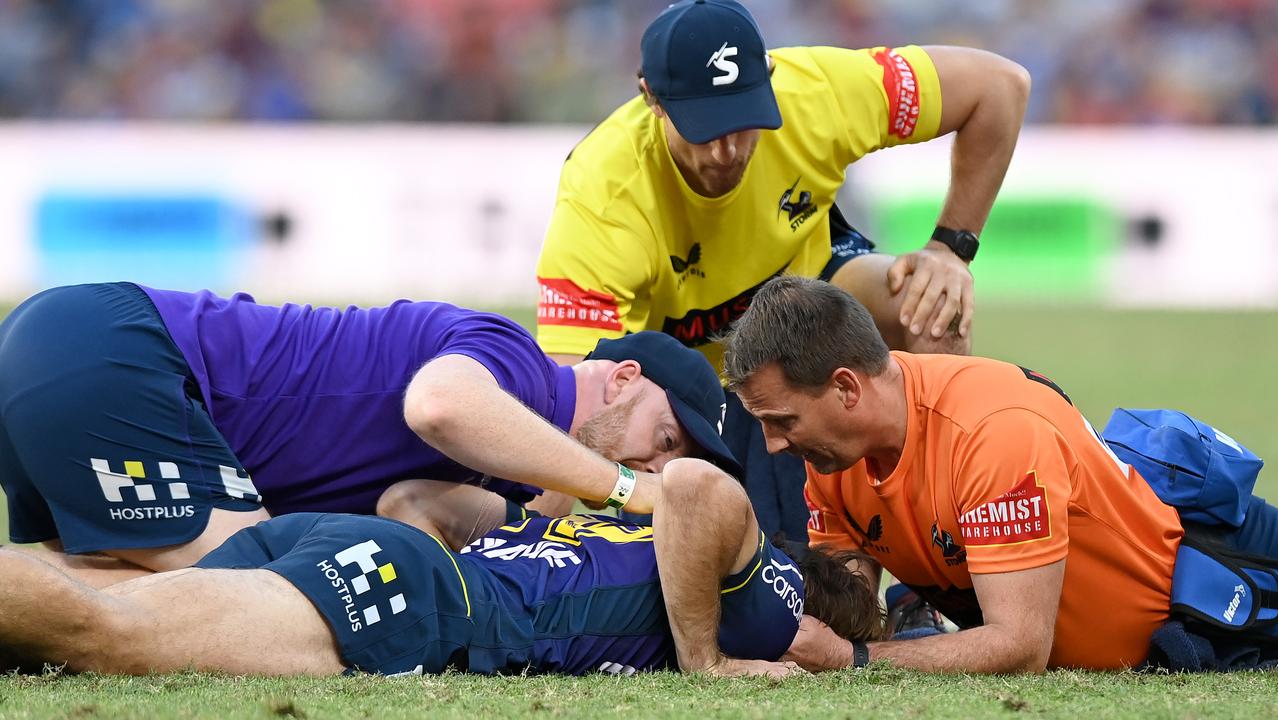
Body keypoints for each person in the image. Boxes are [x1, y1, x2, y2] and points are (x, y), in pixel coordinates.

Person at [532, 0, 1031, 542]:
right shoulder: (603, 191)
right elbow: (571, 396)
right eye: (704, 129)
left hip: (804, 301)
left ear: (769, 77)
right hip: (678, 376)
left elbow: (1000, 86)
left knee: (934, 305)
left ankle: (934, 562)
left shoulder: (817, 92)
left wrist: (950, 248)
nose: (727, 150)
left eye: (744, 122)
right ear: (651, 97)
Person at [0, 282, 737, 584]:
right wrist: (624, 487)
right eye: (668, 438)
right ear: (624, 377)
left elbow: (405, 510)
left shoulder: (516, 461)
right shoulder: (522, 366)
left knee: (81, 604)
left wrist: (559, 509)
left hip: (81, 346)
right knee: (257, 596)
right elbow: (439, 406)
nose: (657, 461)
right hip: (121, 355)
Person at [718, 274, 1271, 672]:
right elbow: (852, 605)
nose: (772, 444)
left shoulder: (992, 433)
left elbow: (1020, 646)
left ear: (846, 388)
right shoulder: (830, 453)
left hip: (1228, 600)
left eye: (782, 420)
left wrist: (855, 658)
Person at [0, 459, 884, 679]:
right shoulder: (767, 592)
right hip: (411, 599)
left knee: (74, 615)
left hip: (364, 548)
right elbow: (696, 484)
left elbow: (412, 499)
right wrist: (711, 663)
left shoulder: (613, 534)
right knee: (106, 634)